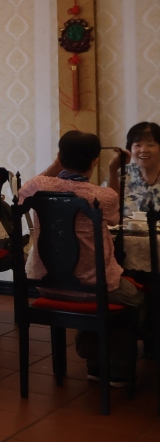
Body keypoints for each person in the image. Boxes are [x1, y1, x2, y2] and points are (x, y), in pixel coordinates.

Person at [19, 131, 140, 386]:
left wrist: (57, 163)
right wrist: (114, 170)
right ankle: (118, 368)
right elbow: (114, 218)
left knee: (95, 290)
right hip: (94, 287)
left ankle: (94, 362)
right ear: (95, 161)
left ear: (60, 156)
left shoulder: (38, 187)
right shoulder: (102, 196)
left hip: (47, 285)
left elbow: (22, 191)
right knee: (135, 297)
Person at [105, 121, 160, 217]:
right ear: (130, 149)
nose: (143, 150)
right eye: (137, 145)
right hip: (125, 227)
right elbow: (108, 207)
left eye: (150, 145)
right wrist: (112, 168)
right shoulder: (122, 173)